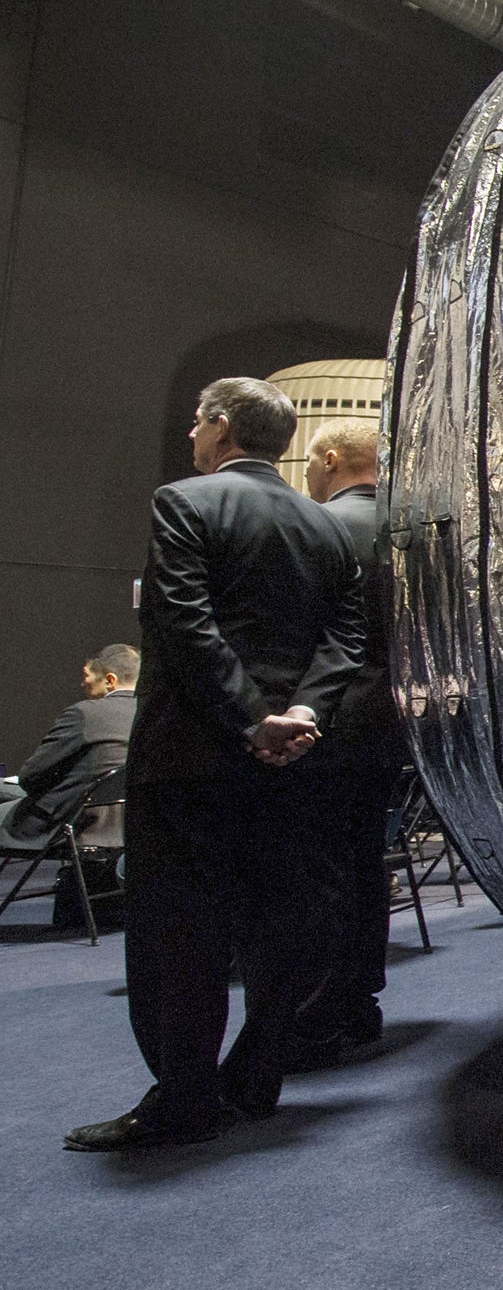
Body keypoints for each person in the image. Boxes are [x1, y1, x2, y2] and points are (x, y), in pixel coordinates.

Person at [64, 377, 364, 1153]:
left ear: (220, 427)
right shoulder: (326, 526)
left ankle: (186, 1099)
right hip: (293, 760)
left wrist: (246, 718)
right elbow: (346, 637)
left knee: (177, 937)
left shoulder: (185, 502)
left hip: (192, 754)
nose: (194, 436)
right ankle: (257, 1076)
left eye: (200, 423)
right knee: (282, 922)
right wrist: (301, 713)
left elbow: (183, 620)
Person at [290, 417, 407, 1065]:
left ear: (330, 459)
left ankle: (316, 1017)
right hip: (393, 725)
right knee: (367, 863)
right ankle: (362, 1000)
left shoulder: (319, 527)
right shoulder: (412, 531)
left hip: (327, 720)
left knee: (319, 873)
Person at [0, 645, 139, 848]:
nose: (83, 683)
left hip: (67, 822)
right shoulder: (152, 715)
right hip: (124, 827)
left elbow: (30, 777)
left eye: (87, 676)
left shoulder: (84, 714)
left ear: (110, 680)